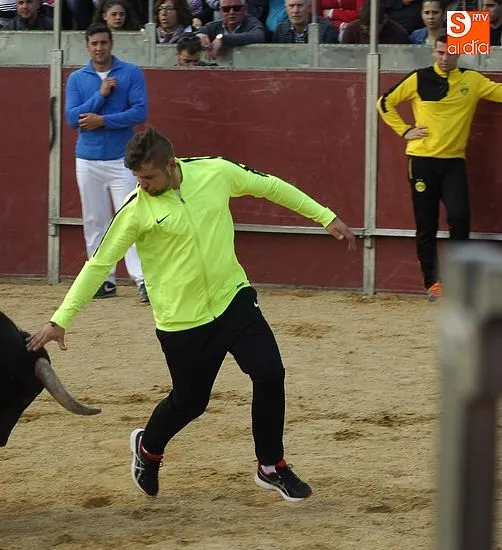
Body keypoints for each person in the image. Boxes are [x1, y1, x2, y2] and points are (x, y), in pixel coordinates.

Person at [26, 126, 356, 501]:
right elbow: (99, 265)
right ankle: (148, 448)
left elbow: (271, 186)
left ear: (171, 165)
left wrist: (325, 216)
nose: (143, 185)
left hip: (232, 299)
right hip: (182, 322)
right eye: (137, 178)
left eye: (148, 176)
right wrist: (60, 320)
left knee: (269, 373)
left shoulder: (215, 171)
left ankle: (271, 465)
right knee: (190, 402)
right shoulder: (135, 210)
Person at [376, 33, 502, 301]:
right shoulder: (419, 78)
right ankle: (432, 282)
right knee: (426, 224)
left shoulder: (472, 80)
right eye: (440, 52)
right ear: (433, 52)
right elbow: (384, 102)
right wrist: (404, 130)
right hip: (422, 161)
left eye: (450, 53)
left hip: (454, 162)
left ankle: (459, 280)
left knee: (460, 217)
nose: (445, 58)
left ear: (460, 53)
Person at [65, 23, 148, 303]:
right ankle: (103, 280)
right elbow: (71, 117)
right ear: (87, 46)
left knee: (131, 219)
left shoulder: (131, 72)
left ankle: (143, 279)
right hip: (88, 159)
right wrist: (100, 96)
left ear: (111, 44)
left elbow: (140, 112)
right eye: (94, 43)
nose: (99, 48)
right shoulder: (78, 78)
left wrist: (103, 121)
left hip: (122, 159)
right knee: (95, 220)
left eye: (103, 42)